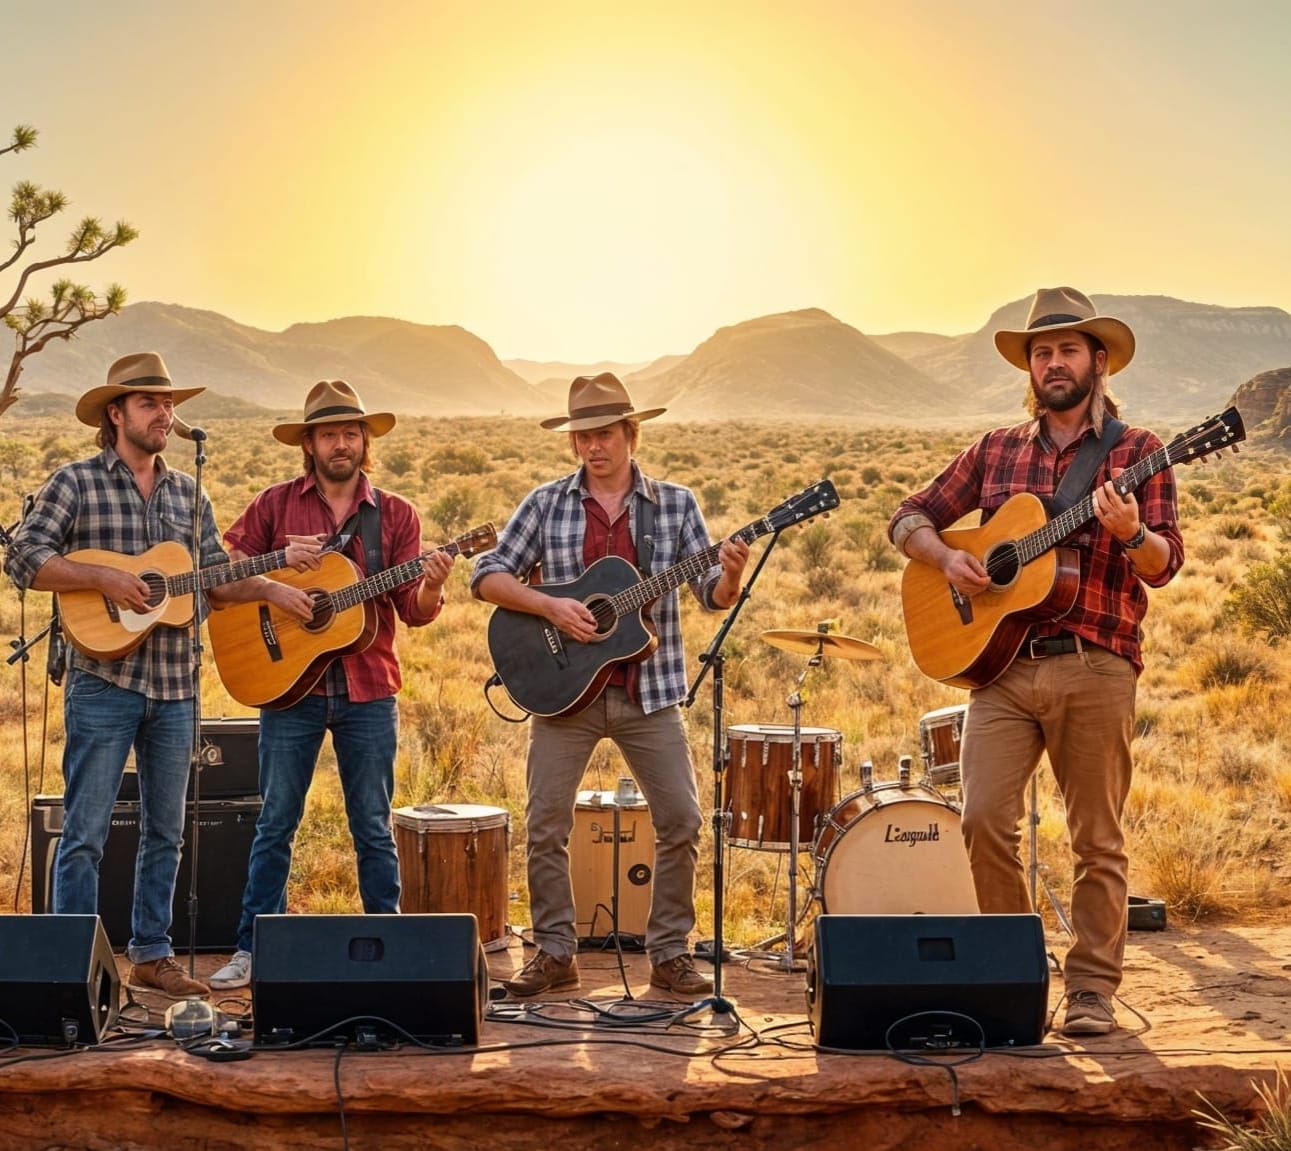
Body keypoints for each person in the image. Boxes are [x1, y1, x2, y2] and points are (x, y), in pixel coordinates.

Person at [888, 287, 1184, 1037]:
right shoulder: (993, 450)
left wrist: (1126, 532)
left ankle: (1089, 988)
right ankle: (1015, 971)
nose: (1053, 363)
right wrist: (948, 556)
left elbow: (1163, 563)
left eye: (1067, 350)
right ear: (1030, 367)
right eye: (1041, 352)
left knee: (1096, 839)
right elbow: (905, 516)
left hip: (1096, 664)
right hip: (1002, 669)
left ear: (1099, 361)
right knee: (981, 817)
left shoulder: (1138, 451)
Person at [4, 352, 314, 997]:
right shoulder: (77, 482)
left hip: (176, 685)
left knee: (166, 830)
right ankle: (73, 961)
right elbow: (25, 559)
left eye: (170, 404)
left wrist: (274, 581)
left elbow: (212, 581)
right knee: (85, 830)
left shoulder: (188, 493)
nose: (165, 414)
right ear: (116, 413)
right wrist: (105, 577)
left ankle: (152, 953)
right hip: (102, 681)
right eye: (150, 403)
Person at [472, 372, 749, 998]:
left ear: (631, 433)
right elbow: (487, 575)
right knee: (545, 823)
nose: (593, 446)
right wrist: (550, 607)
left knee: (681, 819)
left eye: (604, 433)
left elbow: (711, 594)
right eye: (583, 436)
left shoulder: (675, 505)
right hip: (564, 692)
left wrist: (729, 576)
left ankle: (670, 952)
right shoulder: (545, 504)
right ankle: (555, 951)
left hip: (647, 693)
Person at [209, 380, 452, 990]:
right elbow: (216, 579)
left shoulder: (396, 515)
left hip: (368, 690)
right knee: (275, 822)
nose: (340, 443)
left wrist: (432, 584)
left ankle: (389, 945)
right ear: (309, 443)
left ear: (363, 441)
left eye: (350, 432)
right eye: (328, 433)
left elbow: (415, 610)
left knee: (372, 823)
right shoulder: (274, 505)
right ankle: (252, 946)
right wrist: (273, 577)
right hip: (288, 687)